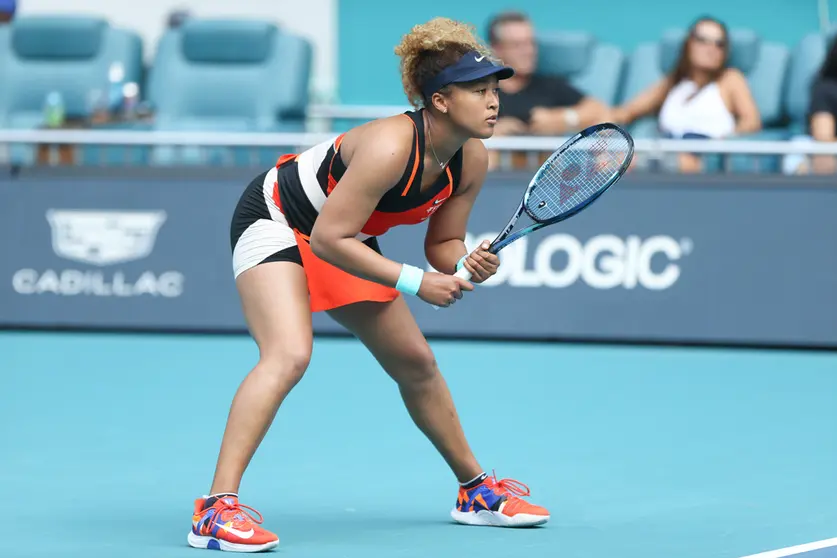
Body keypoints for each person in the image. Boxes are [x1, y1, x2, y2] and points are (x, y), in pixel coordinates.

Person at [186, 16, 550, 553]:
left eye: (494, 90)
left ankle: (475, 491)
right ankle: (214, 511)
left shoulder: (471, 155)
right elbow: (332, 240)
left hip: (339, 231)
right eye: (479, 91)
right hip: (277, 218)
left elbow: (441, 245)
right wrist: (416, 283)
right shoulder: (387, 146)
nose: (494, 101)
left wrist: (466, 263)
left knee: (416, 362)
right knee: (288, 355)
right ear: (441, 101)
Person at [612, 16, 761, 172]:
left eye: (719, 44)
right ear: (689, 44)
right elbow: (629, 110)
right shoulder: (674, 82)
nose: (711, 48)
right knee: (608, 162)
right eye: (702, 40)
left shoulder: (730, 79)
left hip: (702, 158)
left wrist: (726, 140)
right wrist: (603, 126)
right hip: (664, 149)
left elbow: (751, 120)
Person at [486, 11, 609, 138]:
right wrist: (491, 131)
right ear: (496, 49)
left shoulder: (550, 86)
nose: (529, 51)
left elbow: (599, 111)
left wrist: (561, 119)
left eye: (531, 43)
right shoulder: (482, 91)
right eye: (517, 45)